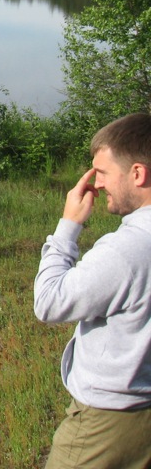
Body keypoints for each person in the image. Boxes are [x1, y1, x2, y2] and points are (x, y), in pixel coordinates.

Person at [33, 113, 151, 469]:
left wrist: (68, 226)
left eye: (102, 172)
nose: (96, 184)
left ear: (137, 173)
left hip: (108, 422)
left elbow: (50, 302)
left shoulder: (126, 250)